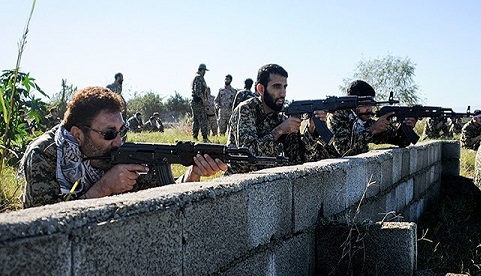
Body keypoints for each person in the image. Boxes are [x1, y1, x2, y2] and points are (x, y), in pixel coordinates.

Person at [19, 86, 227, 208]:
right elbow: (45, 225)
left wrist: (192, 175)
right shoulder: (45, 155)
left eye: (121, 131)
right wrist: (105, 187)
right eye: (109, 133)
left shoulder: (117, 153)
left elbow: (162, 192)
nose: (118, 141)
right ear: (77, 135)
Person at [226, 63, 330, 174]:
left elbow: (299, 160)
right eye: (277, 86)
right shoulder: (247, 109)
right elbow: (246, 158)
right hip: (243, 182)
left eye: (285, 87)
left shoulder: (281, 117)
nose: (283, 93)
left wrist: (311, 129)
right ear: (261, 89)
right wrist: (279, 131)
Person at [327, 80, 417, 157]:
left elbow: (400, 141)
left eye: (371, 104)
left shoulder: (365, 121)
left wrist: (406, 126)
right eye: (365, 104)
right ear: (352, 103)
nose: (369, 109)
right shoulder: (337, 116)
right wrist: (372, 130)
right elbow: (344, 150)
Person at [191, 63, 210, 142]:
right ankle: (204, 138)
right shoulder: (198, 78)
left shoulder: (197, 77)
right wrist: (203, 100)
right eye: (204, 71)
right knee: (203, 120)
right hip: (198, 102)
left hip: (196, 102)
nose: (205, 73)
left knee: (196, 120)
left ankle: (195, 136)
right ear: (201, 70)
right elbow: (198, 91)